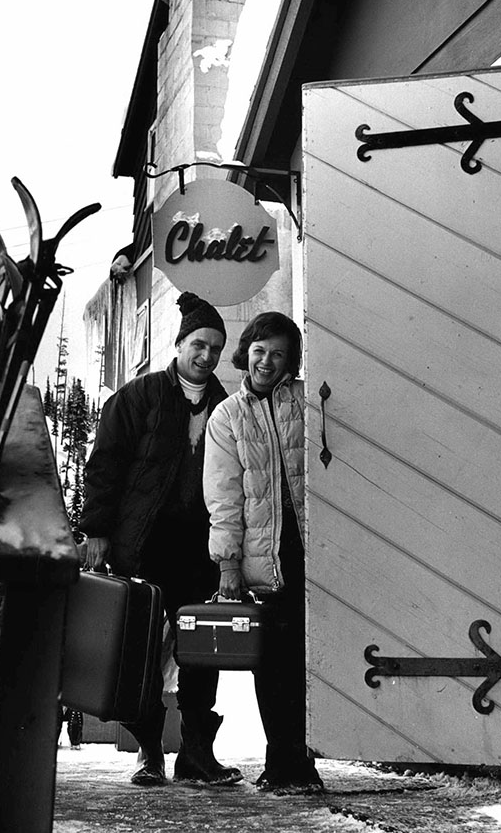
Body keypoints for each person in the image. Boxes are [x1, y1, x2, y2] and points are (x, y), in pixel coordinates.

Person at [80, 291, 242, 788]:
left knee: (201, 651)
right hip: (144, 545)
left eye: (215, 348)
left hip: (201, 550)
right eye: (198, 344)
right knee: (143, 653)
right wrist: (97, 531)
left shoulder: (226, 406)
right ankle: (149, 752)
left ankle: (196, 754)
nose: (206, 355)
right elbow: (105, 465)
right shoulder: (138, 397)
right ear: (178, 345)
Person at [202, 311, 324, 795]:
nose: (266, 362)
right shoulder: (227, 416)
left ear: (290, 359)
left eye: (277, 353)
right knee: (274, 666)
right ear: (245, 352)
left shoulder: (309, 401)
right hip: (265, 557)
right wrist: (228, 562)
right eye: (259, 350)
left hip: (314, 554)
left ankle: (305, 761)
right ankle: (282, 764)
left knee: (310, 663)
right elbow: (224, 496)